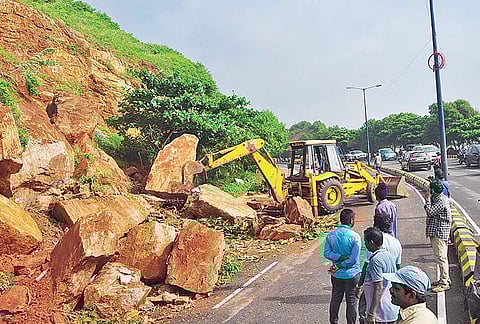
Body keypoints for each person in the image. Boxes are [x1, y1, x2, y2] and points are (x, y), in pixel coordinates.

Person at [357, 215, 403, 324]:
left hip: (380, 312)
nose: (365, 244)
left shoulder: (375, 260)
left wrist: (371, 314)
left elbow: (378, 287)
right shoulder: (389, 255)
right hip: (390, 308)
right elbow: (397, 272)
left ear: (371, 243)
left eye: (365, 242)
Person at [324, 209, 362, 324]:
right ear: (351, 220)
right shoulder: (355, 237)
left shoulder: (331, 235)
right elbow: (352, 260)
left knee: (335, 300)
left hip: (336, 274)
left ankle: (333, 322)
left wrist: (338, 258)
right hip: (352, 274)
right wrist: (343, 260)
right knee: (351, 302)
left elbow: (326, 253)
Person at [424, 179, 452, 293]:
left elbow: (430, 211)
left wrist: (427, 199)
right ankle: (444, 279)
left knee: (441, 258)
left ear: (432, 190)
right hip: (437, 231)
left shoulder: (441, 201)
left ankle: (444, 283)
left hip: (439, 233)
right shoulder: (438, 198)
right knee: (441, 257)